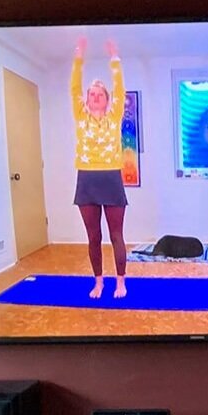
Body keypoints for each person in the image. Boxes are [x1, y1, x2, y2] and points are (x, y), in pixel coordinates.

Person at [71, 37, 128, 298]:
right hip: (87, 180)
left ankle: (120, 282)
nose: (95, 97)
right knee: (94, 236)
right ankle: (98, 282)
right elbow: (74, 88)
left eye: (99, 95)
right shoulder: (81, 116)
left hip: (110, 178)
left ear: (106, 100)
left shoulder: (113, 117)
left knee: (116, 233)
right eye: (91, 94)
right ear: (87, 99)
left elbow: (120, 88)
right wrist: (79, 56)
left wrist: (115, 59)